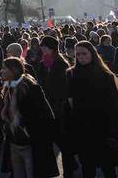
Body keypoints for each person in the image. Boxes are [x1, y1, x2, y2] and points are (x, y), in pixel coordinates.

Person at [67, 41, 118, 178]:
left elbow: (115, 107)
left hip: (103, 130)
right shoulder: (71, 74)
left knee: (108, 168)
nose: (80, 57)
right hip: (82, 131)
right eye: (78, 54)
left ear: (92, 54)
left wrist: (114, 134)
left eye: (84, 53)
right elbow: (68, 103)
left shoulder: (105, 76)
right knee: (87, 168)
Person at [0, 57, 58, 178]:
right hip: (14, 141)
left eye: (4, 68)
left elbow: (47, 115)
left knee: (34, 172)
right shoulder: (8, 87)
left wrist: (39, 136)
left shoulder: (31, 88)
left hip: (31, 142)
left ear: (13, 70)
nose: (1, 71)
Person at [35, 35, 76, 177]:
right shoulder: (42, 64)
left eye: (44, 46)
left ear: (52, 48)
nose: (41, 48)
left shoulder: (61, 63)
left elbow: (65, 88)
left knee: (63, 141)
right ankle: (71, 162)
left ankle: (69, 170)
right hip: (47, 107)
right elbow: (40, 83)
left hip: (60, 108)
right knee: (54, 138)